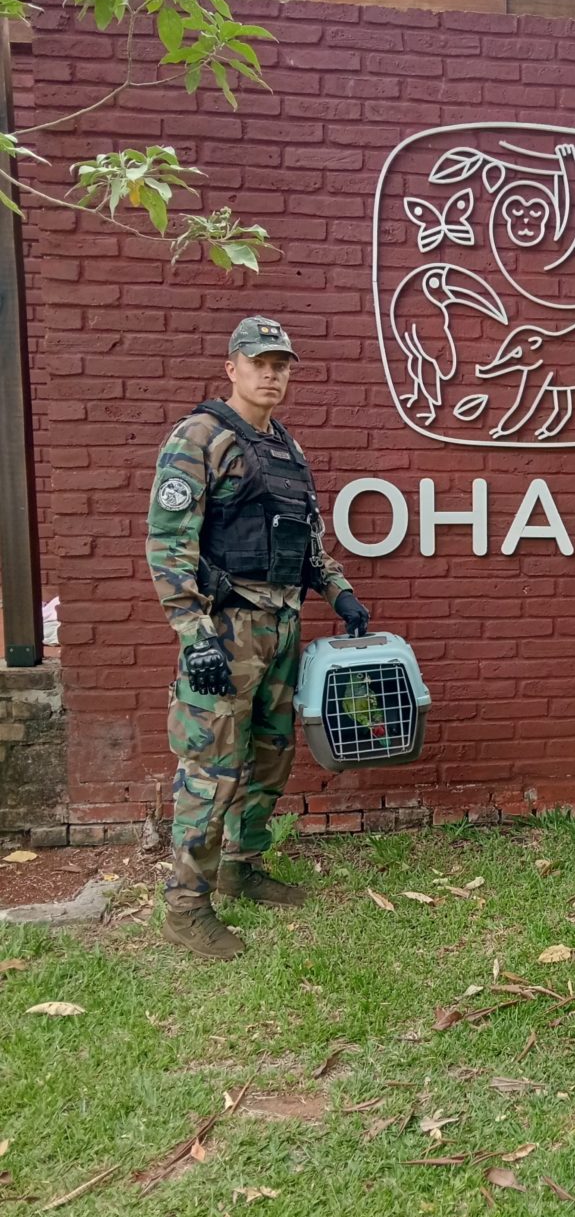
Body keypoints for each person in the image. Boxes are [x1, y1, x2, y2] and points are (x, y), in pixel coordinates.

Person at [146, 316, 372, 960]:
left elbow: (307, 541)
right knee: (210, 769)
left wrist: (339, 592)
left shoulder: (285, 450)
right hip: (226, 629)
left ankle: (239, 866)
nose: (271, 374)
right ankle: (186, 908)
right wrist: (194, 637)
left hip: (280, 628)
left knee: (271, 756)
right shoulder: (199, 438)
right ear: (233, 367)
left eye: (281, 364)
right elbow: (167, 546)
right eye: (259, 362)